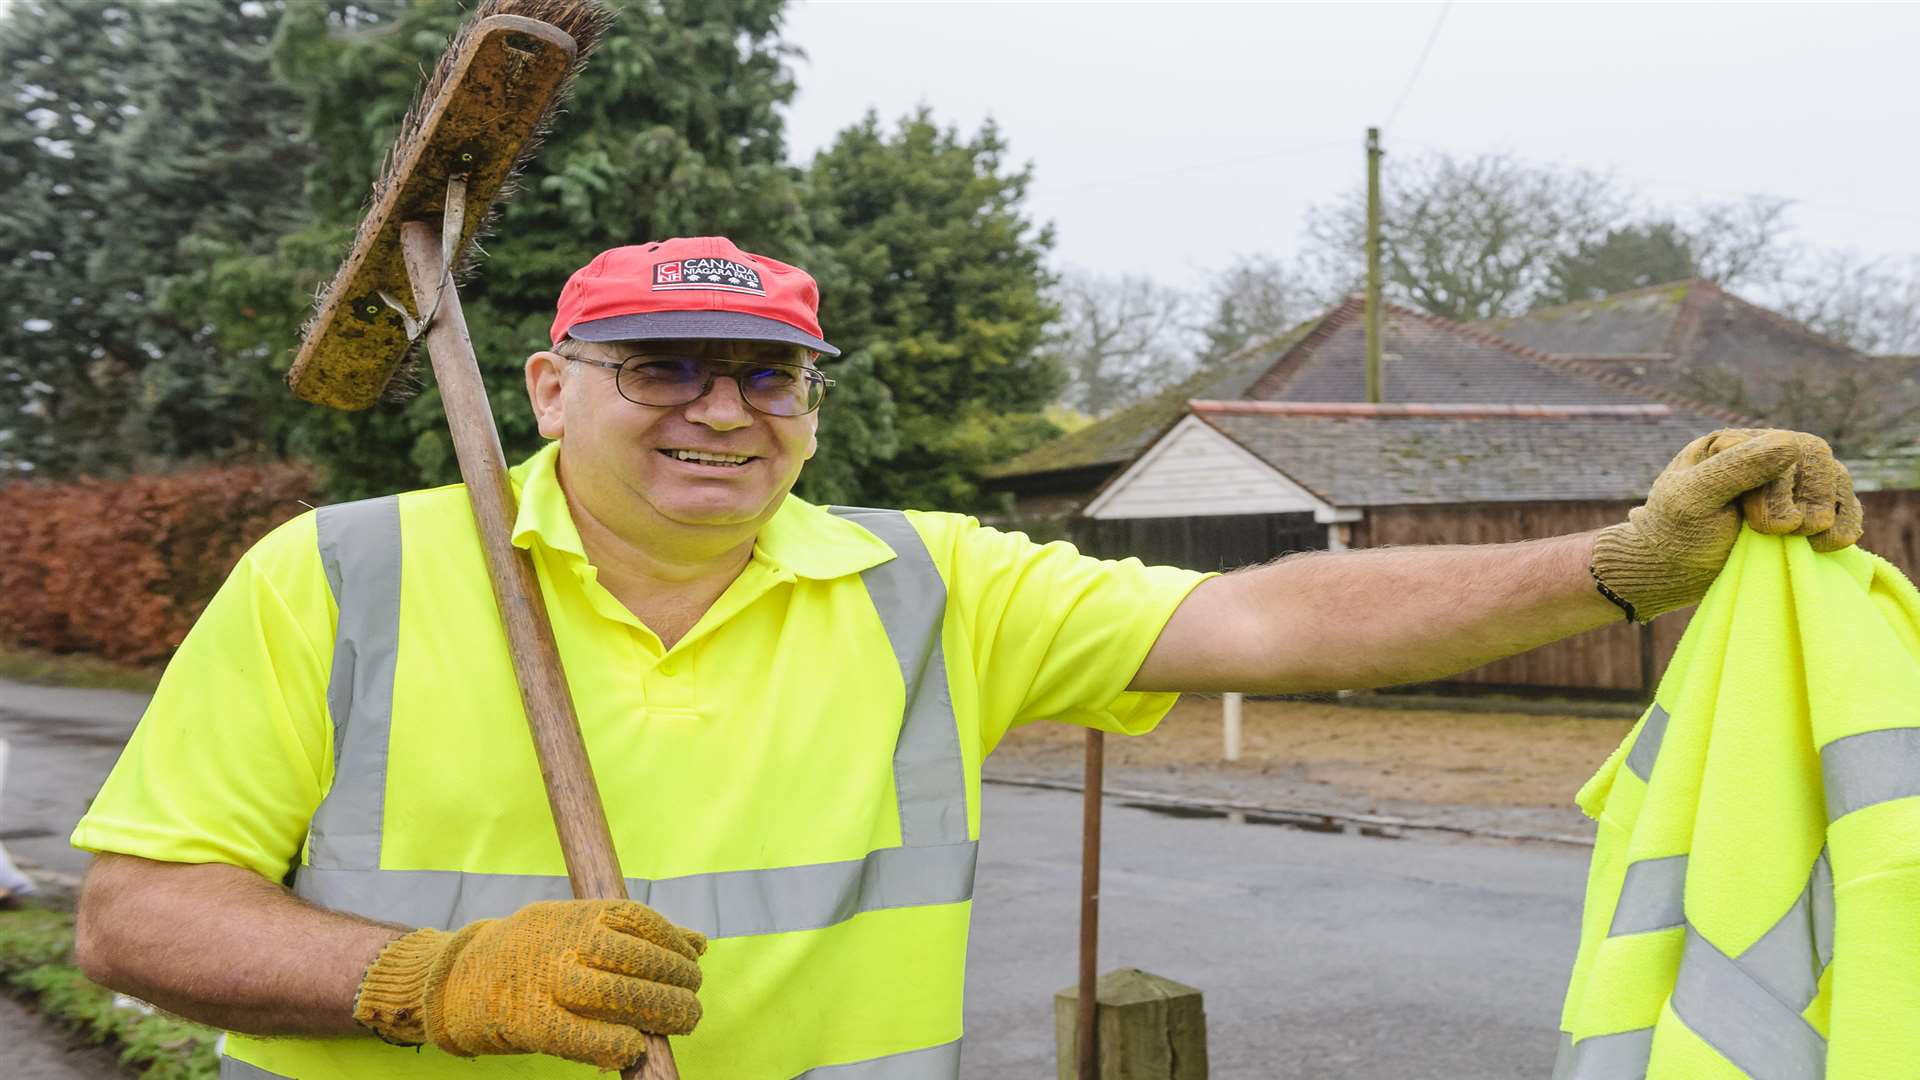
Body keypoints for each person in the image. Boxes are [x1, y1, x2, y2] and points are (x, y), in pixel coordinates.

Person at [67, 236, 1861, 1079]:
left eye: (766, 372)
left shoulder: (923, 582)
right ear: (547, 386)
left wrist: (1621, 564)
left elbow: (1267, 615)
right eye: (662, 367)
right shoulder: (345, 574)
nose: (720, 409)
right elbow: (136, 920)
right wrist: (434, 979)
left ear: (810, 398)